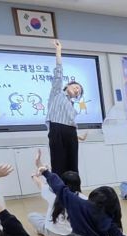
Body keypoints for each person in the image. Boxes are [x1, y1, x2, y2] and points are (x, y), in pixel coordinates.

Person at [47, 39, 84, 175]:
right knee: (58, 164)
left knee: (73, 164)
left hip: (71, 133)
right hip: (57, 130)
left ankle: (74, 191)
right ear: (67, 85)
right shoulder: (57, 93)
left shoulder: (72, 105)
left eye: (79, 91)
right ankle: (60, 192)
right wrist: (58, 51)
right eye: (75, 86)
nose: (77, 90)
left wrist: (77, 135)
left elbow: (70, 123)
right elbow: (58, 73)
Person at [27, 168, 84, 236]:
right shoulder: (83, 198)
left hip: (52, 233)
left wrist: (34, 176)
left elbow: (40, 184)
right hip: (72, 233)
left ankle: (42, 230)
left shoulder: (53, 195)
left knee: (32, 215)